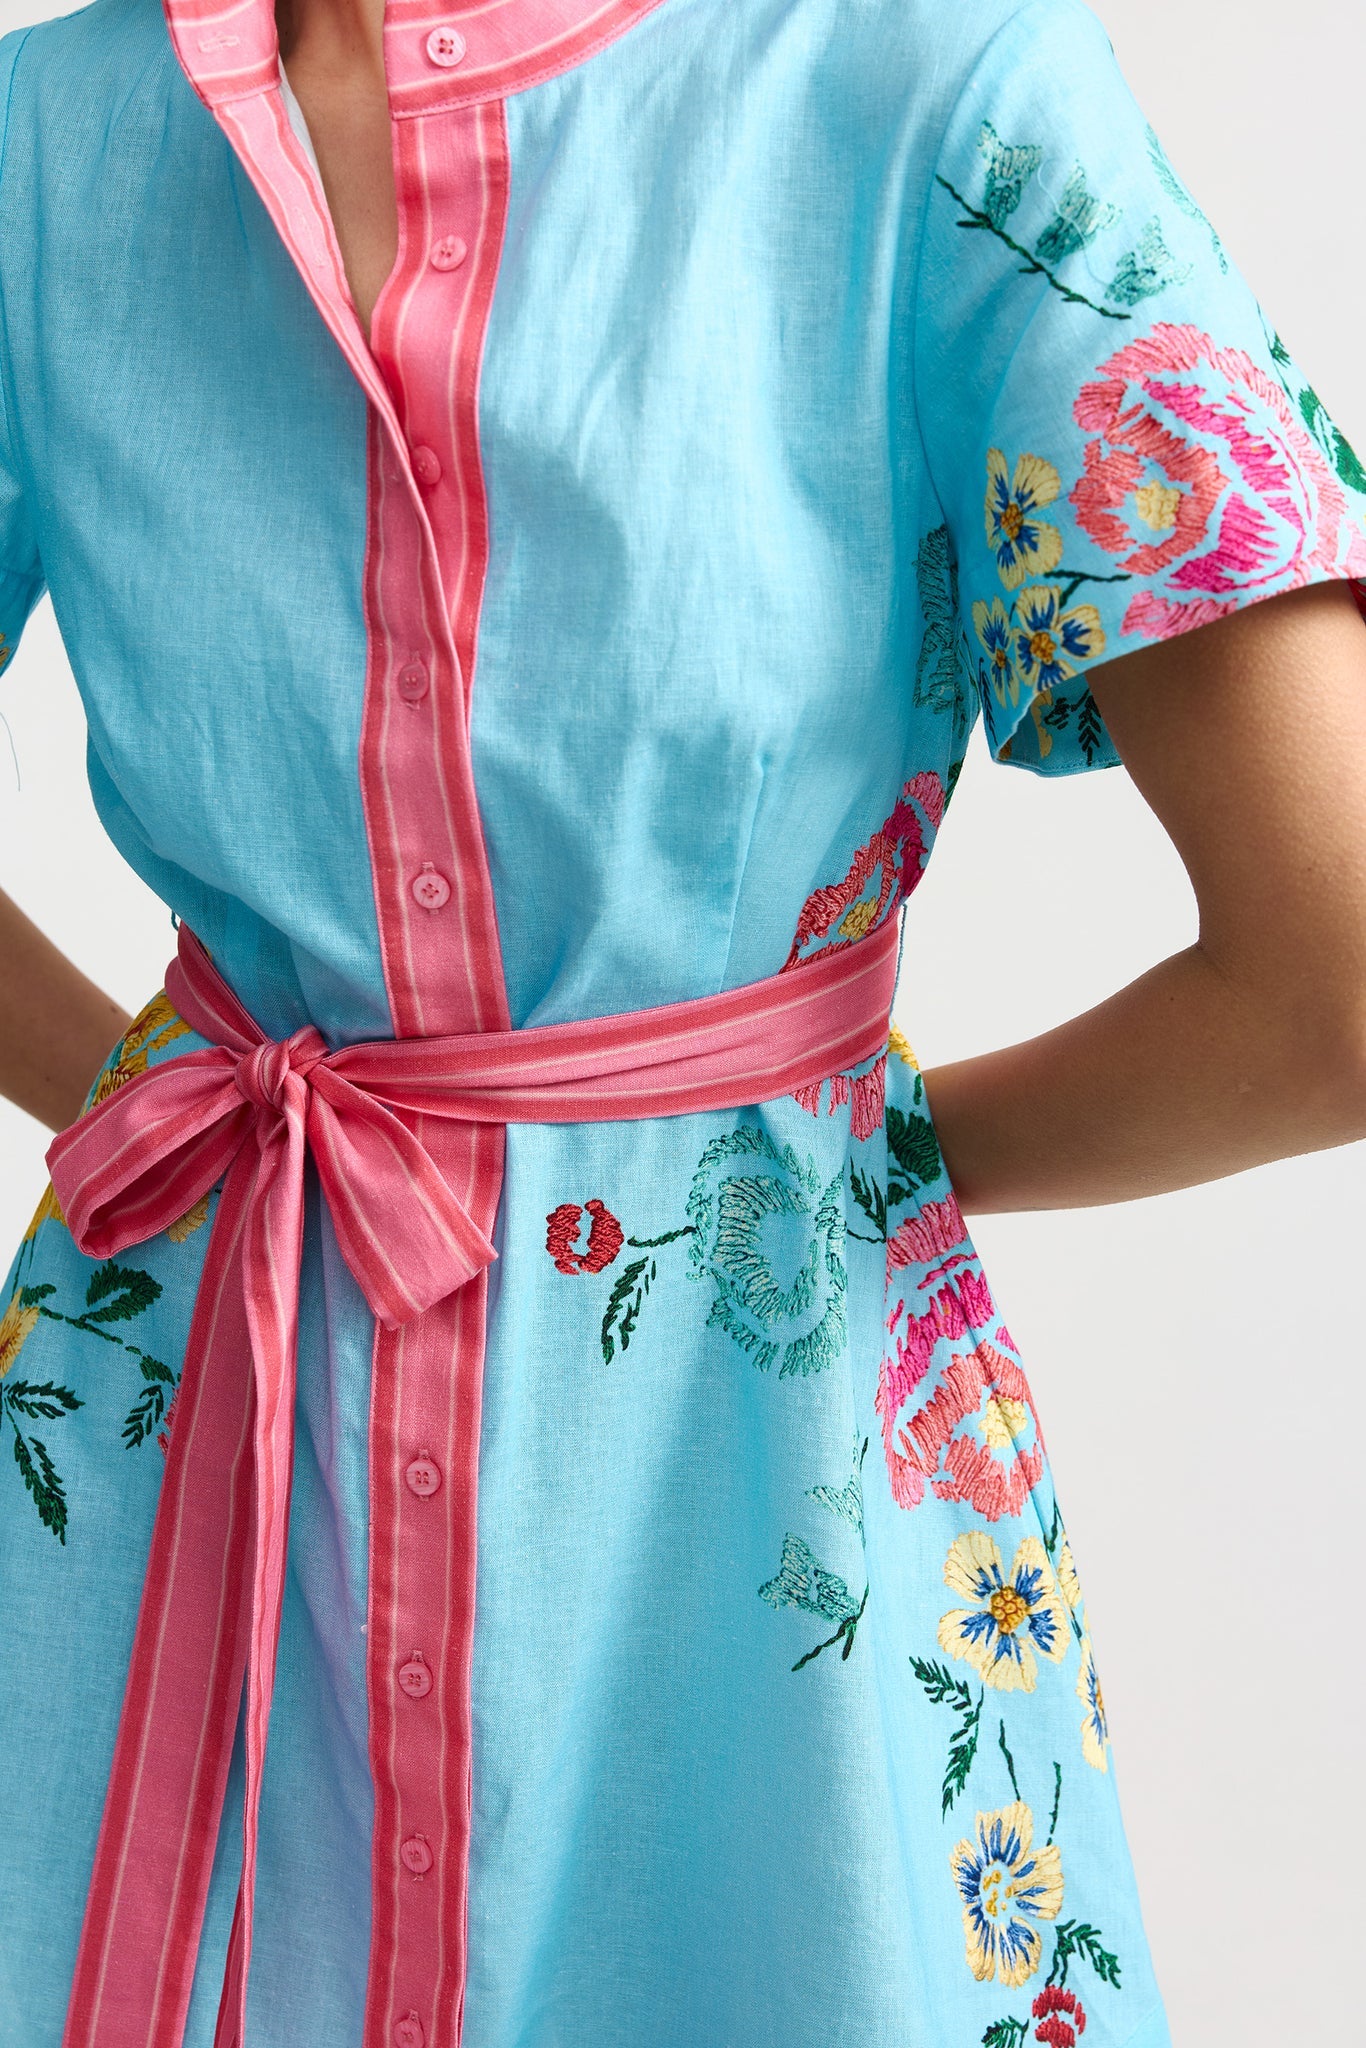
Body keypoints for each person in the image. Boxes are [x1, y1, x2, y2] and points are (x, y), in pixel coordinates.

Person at [1, 0, 1364, 2041]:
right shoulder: (49, 135)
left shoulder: (931, 89)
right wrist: (752, 1160)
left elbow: (1331, 979)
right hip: (243, 1484)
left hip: (694, 1523)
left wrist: (789, 1153)